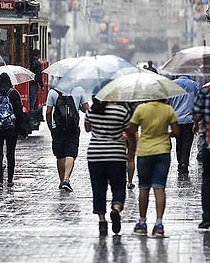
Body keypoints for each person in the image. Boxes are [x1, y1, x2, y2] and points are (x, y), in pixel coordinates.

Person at [127, 100, 179, 237]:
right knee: (159, 187)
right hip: (163, 152)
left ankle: (142, 224)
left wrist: (136, 140)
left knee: (144, 188)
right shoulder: (168, 110)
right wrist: (166, 135)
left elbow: (131, 129)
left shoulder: (141, 109)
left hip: (144, 152)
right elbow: (176, 131)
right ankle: (159, 224)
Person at [84, 97, 132, 236]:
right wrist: (132, 146)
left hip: (95, 155)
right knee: (118, 186)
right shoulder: (121, 111)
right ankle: (116, 208)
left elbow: (87, 129)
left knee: (98, 188)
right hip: (116, 154)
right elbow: (129, 131)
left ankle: (102, 221)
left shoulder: (92, 110)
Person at [0, 72, 27, 189]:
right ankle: (9, 180)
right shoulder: (14, 93)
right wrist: (23, 130)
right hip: (11, 129)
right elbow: (19, 113)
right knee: (10, 154)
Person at [45, 85, 89, 192]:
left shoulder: (53, 92)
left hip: (58, 128)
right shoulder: (78, 90)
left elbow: (48, 112)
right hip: (73, 128)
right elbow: (86, 109)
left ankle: (61, 181)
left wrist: (51, 127)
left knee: (60, 155)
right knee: (71, 153)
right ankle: (66, 179)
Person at [170, 75, 199, 174]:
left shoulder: (172, 84)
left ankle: (180, 162)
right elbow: (197, 102)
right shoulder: (194, 85)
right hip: (189, 119)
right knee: (187, 143)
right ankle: (184, 163)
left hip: (176, 119)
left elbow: (168, 102)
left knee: (179, 142)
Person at [192, 84, 210, 229]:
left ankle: (207, 217)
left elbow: (196, 115)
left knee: (208, 178)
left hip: (209, 142)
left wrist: (197, 122)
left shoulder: (205, 90)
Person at [29, 49, 44, 113]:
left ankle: (31, 110)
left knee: (32, 99)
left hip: (30, 82)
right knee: (33, 98)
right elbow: (39, 75)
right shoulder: (37, 64)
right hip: (34, 83)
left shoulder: (30, 62)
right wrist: (41, 84)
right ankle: (32, 112)